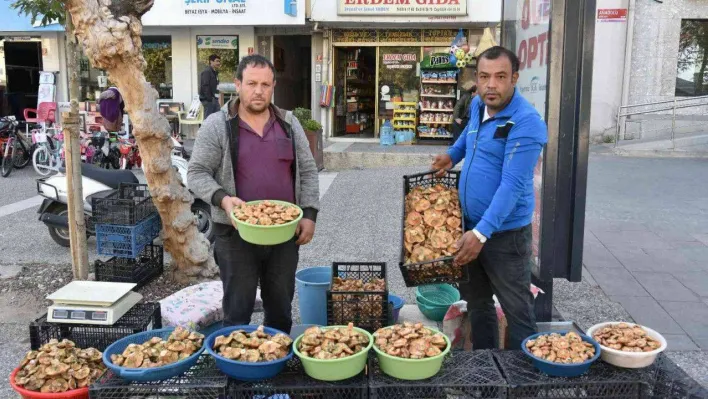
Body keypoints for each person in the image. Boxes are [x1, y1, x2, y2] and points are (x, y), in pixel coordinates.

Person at [187, 54, 320, 334]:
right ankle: (238, 369)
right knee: (237, 309)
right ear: (238, 85)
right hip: (236, 234)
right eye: (251, 83)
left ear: (273, 87)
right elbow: (197, 172)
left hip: (284, 232)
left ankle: (277, 361)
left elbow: (307, 171)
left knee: (281, 307)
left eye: (265, 84)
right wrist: (224, 199)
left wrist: (309, 214)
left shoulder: (289, 124)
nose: (258, 91)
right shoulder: (217, 125)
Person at [431, 46, 548, 350]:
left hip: (504, 234)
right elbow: (468, 140)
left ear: (515, 78)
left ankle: (523, 381)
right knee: (478, 303)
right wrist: (450, 156)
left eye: (500, 77)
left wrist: (482, 233)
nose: (490, 85)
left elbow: (511, 184)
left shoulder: (527, 122)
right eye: (484, 77)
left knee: (517, 310)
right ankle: (485, 375)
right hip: (469, 228)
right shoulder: (476, 106)